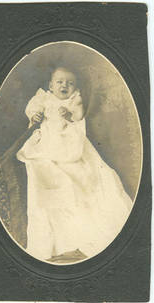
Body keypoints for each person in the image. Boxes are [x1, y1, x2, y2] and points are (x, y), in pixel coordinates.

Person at [16, 66, 132, 263]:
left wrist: (69, 114)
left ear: (75, 87)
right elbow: (31, 110)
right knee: (43, 170)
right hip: (47, 141)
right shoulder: (43, 98)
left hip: (70, 143)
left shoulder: (74, 99)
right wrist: (34, 115)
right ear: (50, 85)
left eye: (70, 83)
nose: (65, 86)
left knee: (84, 175)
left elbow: (79, 116)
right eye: (60, 82)